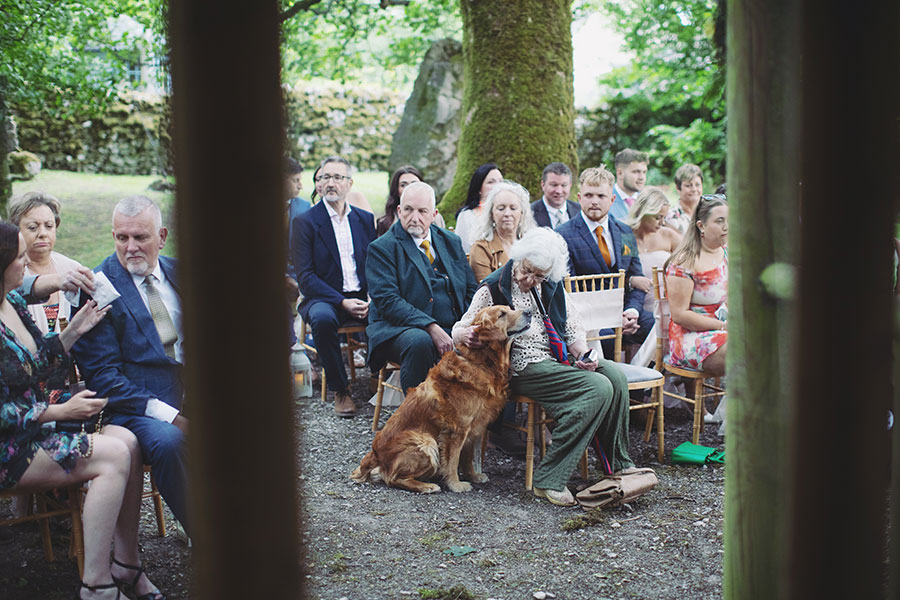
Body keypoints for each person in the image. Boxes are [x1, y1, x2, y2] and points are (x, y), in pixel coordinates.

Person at [0, 221, 165, 600]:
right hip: (11, 447)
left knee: (128, 440)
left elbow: (35, 364)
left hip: (38, 428)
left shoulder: (14, 304)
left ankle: (126, 562)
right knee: (112, 455)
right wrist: (57, 413)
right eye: (20, 258)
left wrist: (74, 330)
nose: (27, 263)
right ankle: (96, 583)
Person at [452, 228, 635, 506]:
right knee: (598, 388)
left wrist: (584, 354)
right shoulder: (494, 287)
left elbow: (572, 330)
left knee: (615, 376)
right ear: (519, 258)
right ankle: (550, 478)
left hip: (557, 357)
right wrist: (461, 334)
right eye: (527, 271)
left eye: (539, 276)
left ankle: (618, 463)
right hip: (521, 366)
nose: (530, 280)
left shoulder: (551, 283)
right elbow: (461, 327)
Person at [71, 195, 191, 536]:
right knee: (170, 442)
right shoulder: (98, 288)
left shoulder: (183, 272)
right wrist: (173, 417)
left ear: (162, 237)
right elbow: (103, 377)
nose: (131, 247)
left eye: (140, 237)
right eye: (122, 237)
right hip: (134, 407)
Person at [367, 181, 479, 393]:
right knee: (421, 342)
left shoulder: (451, 241)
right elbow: (388, 301)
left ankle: (487, 413)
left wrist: (466, 326)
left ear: (434, 214)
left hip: (453, 325)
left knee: (493, 338)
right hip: (400, 329)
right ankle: (417, 409)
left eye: (422, 211)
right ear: (399, 211)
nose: (414, 217)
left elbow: (470, 289)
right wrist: (430, 327)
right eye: (408, 210)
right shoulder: (382, 248)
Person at [291, 156, 376, 417]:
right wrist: (342, 301)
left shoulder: (364, 219)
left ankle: (377, 376)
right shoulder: (305, 222)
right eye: (325, 177)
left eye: (338, 177)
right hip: (323, 297)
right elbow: (306, 277)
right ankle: (341, 390)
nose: (331, 183)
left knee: (388, 311)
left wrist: (372, 296)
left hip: (361, 295)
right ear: (318, 184)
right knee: (323, 319)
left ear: (349, 183)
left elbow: (374, 265)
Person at [557, 166, 653, 355]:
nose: (594, 201)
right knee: (607, 339)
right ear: (579, 197)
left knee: (660, 326)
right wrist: (611, 318)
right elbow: (569, 289)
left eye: (601, 196)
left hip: (624, 309)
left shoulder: (625, 231)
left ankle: (641, 373)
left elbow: (637, 278)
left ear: (612, 199)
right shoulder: (563, 235)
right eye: (589, 195)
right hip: (589, 317)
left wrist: (632, 311)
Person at [664, 193, 728, 375]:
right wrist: (723, 326)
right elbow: (679, 315)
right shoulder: (684, 262)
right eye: (720, 221)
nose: (727, 226)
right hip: (691, 337)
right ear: (701, 226)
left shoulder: (728, 254)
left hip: (726, 329)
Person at [7, 192, 85, 334]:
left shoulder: (73, 268)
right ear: (16, 230)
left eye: (49, 226)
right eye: (33, 227)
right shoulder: (9, 274)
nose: (43, 233)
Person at [623, 187, 682, 312]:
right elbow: (617, 274)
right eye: (658, 217)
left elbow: (691, 263)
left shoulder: (668, 235)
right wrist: (630, 281)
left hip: (669, 307)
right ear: (644, 213)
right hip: (634, 309)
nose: (662, 223)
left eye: (664, 218)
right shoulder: (626, 237)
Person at [468, 180, 535, 282]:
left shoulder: (531, 245)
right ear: (491, 214)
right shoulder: (481, 249)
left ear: (521, 213)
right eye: (501, 208)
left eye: (513, 208)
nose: (507, 213)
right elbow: (486, 288)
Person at [376, 166, 446, 237]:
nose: (409, 188)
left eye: (414, 184)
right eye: (403, 185)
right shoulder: (385, 223)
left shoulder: (437, 219)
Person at [454, 163, 503, 252]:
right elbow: (463, 250)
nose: (498, 186)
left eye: (501, 181)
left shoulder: (509, 213)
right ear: (479, 188)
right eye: (491, 182)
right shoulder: (467, 216)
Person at [530, 162, 580, 229]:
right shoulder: (530, 213)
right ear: (543, 185)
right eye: (554, 185)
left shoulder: (580, 211)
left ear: (570, 185)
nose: (559, 191)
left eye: (563, 185)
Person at [609, 149, 649, 221]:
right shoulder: (605, 200)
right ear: (620, 173)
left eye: (644, 172)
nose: (641, 177)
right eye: (636, 172)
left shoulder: (649, 200)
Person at [664, 164, 704, 234]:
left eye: (697, 185)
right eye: (688, 185)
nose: (694, 189)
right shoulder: (670, 218)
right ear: (678, 188)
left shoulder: (708, 213)